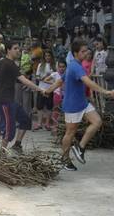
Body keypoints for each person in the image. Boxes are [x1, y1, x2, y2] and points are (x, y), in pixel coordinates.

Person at [45, 39, 114, 171]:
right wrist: (106, 91)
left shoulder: (74, 64)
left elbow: (60, 81)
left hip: (82, 103)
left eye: (86, 50)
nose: (86, 53)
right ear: (76, 53)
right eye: (83, 51)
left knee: (97, 121)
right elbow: (88, 82)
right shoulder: (75, 67)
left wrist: (47, 91)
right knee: (70, 133)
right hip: (72, 105)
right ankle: (65, 159)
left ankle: (80, 147)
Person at [34, 50, 55, 131]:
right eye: (46, 56)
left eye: (49, 56)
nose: (47, 57)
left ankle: (47, 123)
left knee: (49, 106)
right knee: (40, 106)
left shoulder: (54, 66)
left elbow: (56, 77)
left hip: (50, 88)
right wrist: (44, 77)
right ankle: (39, 123)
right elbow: (37, 77)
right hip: (41, 88)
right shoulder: (40, 65)